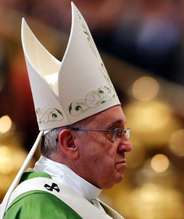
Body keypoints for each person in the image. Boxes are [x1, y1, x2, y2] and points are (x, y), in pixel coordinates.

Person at [0, 2, 132, 219]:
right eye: (113, 132)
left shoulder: (87, 202)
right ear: (69, 142)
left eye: (124, 131)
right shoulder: (39, 208)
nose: (127, 144)